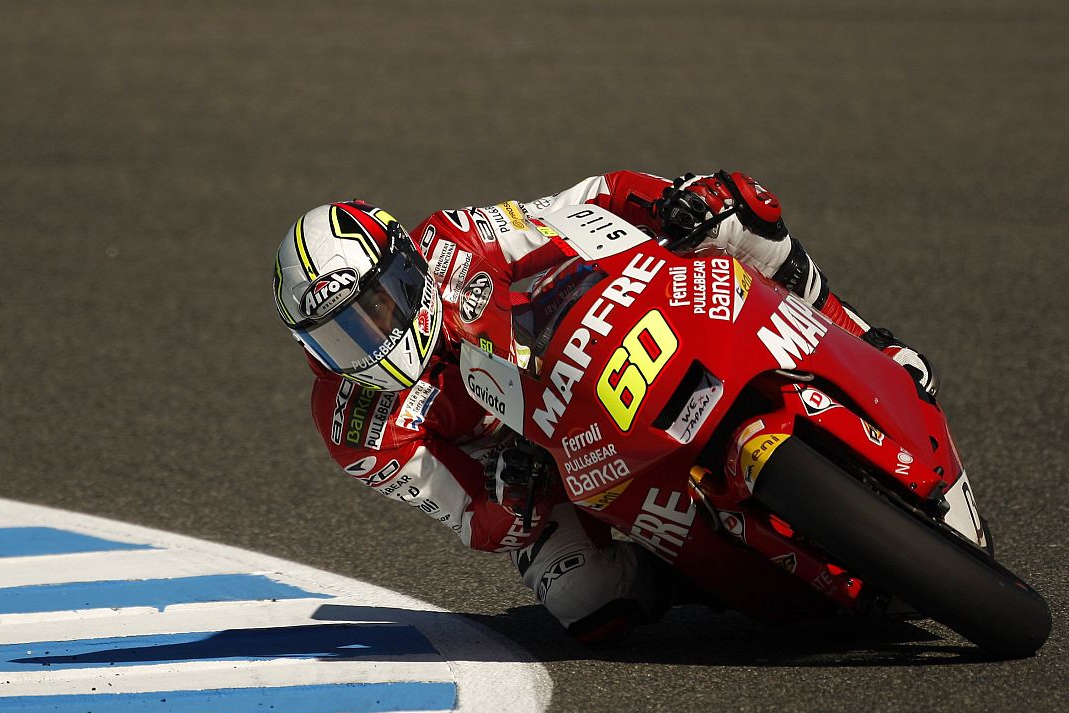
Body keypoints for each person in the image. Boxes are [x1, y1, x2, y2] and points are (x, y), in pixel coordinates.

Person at [271, 170, 935, 642]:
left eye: (374, 306)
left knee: (734, 211)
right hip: (532, 462)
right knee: (584, 600)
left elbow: (578, 206)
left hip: (573, 352)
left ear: (403, 266)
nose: (370, 337)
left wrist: (665, 200)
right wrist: (512, 501)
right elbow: (468, 517)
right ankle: (700, 572)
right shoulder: (354, 427)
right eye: (339, 334)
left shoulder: (452, 242)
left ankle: (866, 338)